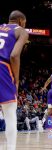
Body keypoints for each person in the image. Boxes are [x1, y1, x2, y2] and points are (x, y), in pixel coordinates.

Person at [0, 10, 29, 150]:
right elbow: (14, 55)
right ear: (20, 21)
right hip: (3, 68)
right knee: (10, 114)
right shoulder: (22, 31)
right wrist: (16, 81)